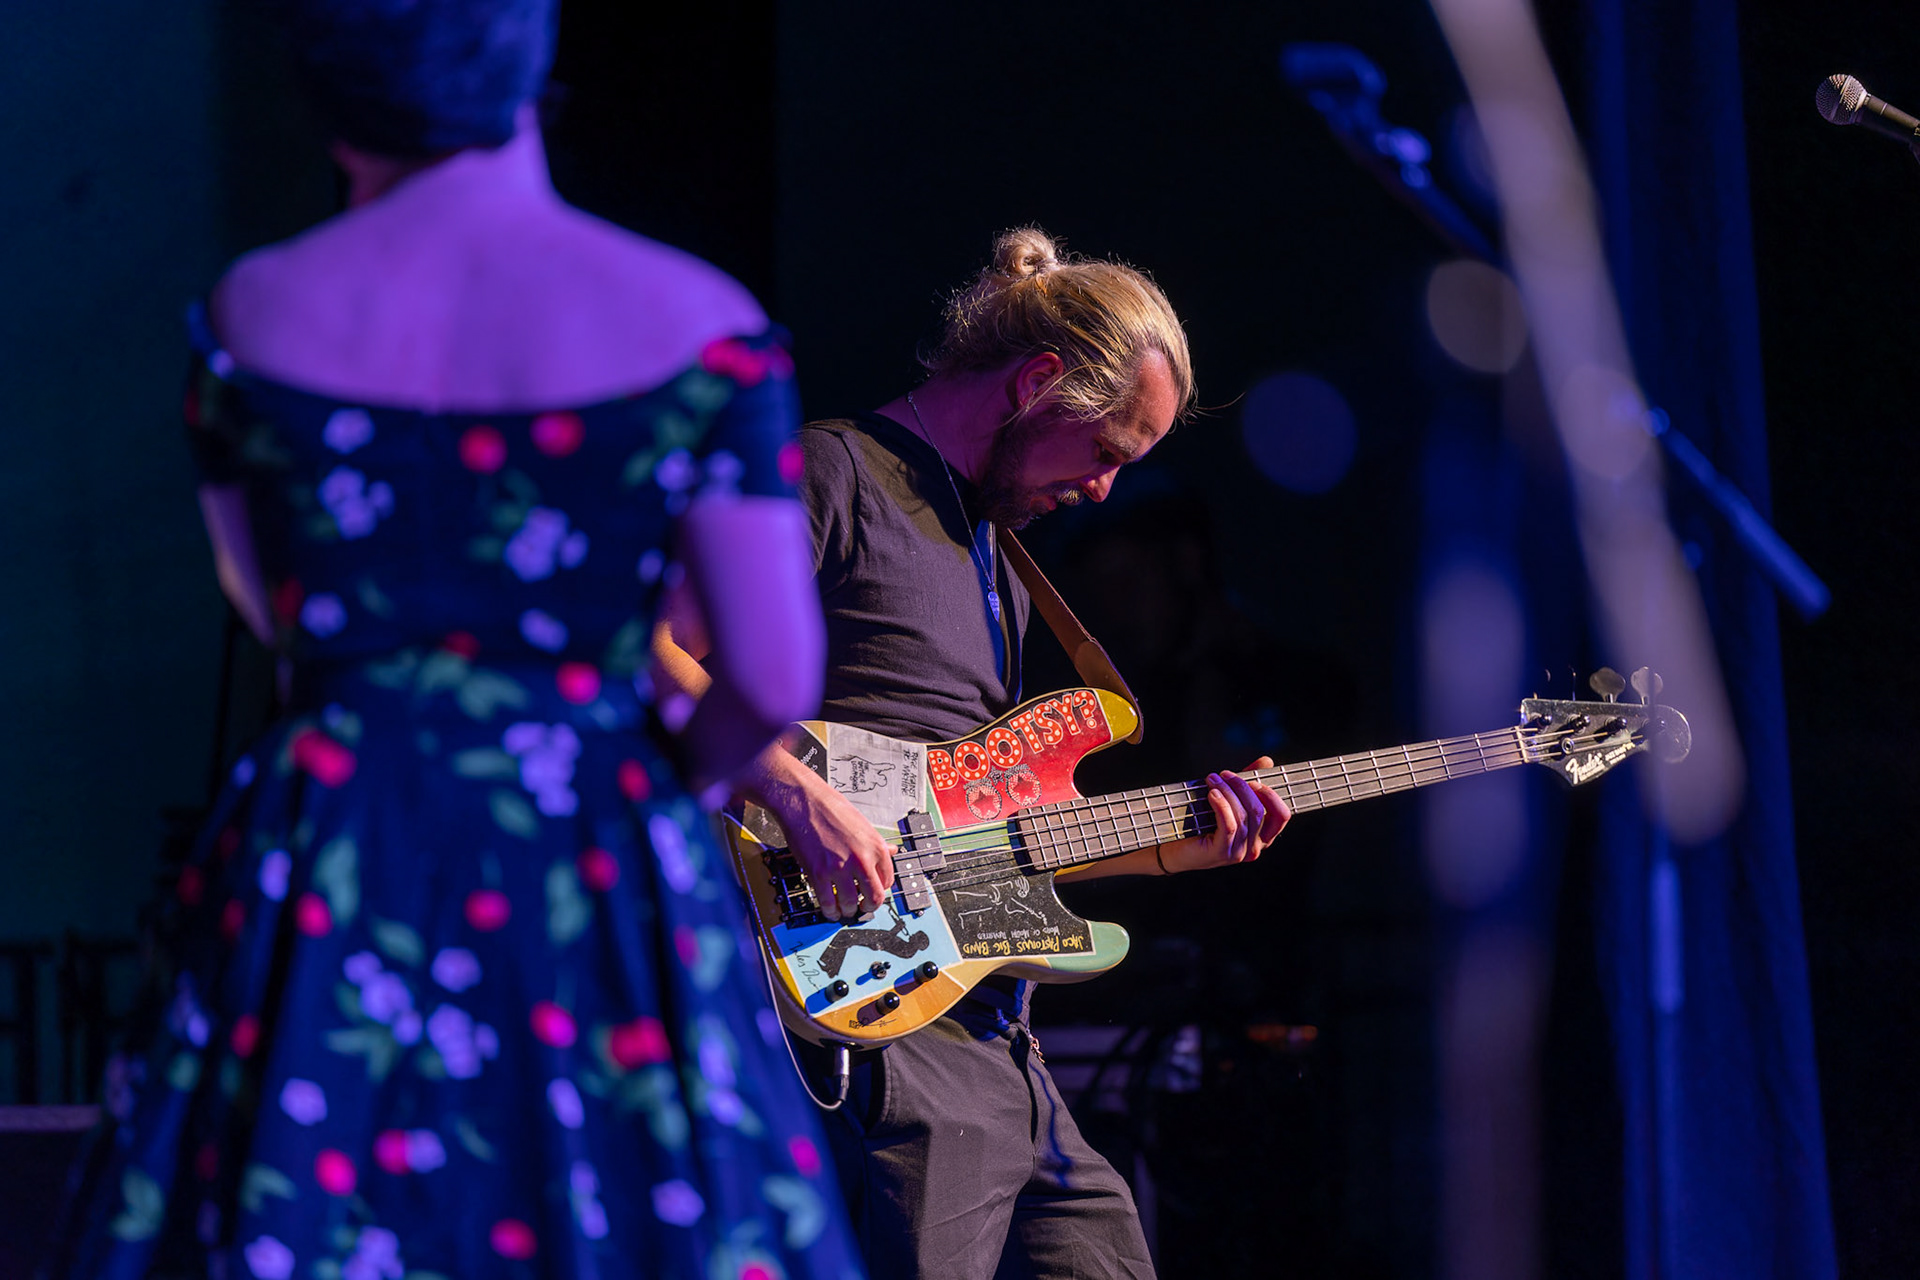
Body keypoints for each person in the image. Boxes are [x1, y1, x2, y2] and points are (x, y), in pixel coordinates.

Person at [45, 3, 860, 1277]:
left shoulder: (253, 312)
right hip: (590, 835)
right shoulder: (701, 318)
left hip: (339, 839)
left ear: (330, 91)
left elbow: (271, 612)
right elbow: (771, 672)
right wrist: (638, 791)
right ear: (532, 66)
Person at [658, 228, 1290, 1278]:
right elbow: (651, 646)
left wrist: (1184, 844)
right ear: (1039, 381)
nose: (1102, 490)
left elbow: (989, 838)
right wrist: (800, 797)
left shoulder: (996, 549)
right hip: (882, 1026)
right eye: (1105, 452)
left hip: (1004, 1034)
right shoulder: (833, 471)